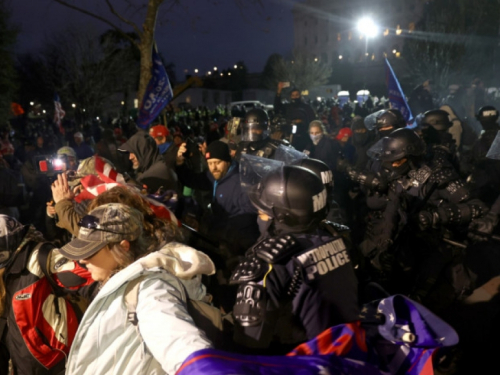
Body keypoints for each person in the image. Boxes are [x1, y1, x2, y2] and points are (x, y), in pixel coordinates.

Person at [59, 203, 214, 374]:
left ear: (123, 247)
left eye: (90, 251)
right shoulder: (119, 281)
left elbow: (174, 338)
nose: (82, 260)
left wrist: (202, 368)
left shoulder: (149, 287)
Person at [230, 165, 359, 352]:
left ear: (282, 218)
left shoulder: (268, 264)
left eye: (262, 213)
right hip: (348, 351)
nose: (260, 218)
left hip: (299, 363)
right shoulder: (337, 240)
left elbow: (249, 346)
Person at [0, 214, 96, 374]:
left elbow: (91, 280)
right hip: (19, 365)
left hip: (55, 364)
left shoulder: (40, 257)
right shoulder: (6, 267)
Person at [176, 140, 259, 256]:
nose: (213, 167)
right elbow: (194, 180)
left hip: (234, 247)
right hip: (220, 236)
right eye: (209, 163)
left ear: (228, 161)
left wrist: (223, 237)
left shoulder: (239, 184)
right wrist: (180, 164)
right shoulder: (218, 175)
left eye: (218, 162)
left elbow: (249, 220)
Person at [274, 84, 316, 150]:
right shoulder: (288, 107)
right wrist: (279, 91)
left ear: (300, 96)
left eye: (297, 95)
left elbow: (312, 120)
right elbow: (277, 108)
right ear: (290, 97)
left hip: (304, 136)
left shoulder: (306, 107)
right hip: (290, 136)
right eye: (293, 95)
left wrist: (302, 121)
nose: (295, 97)